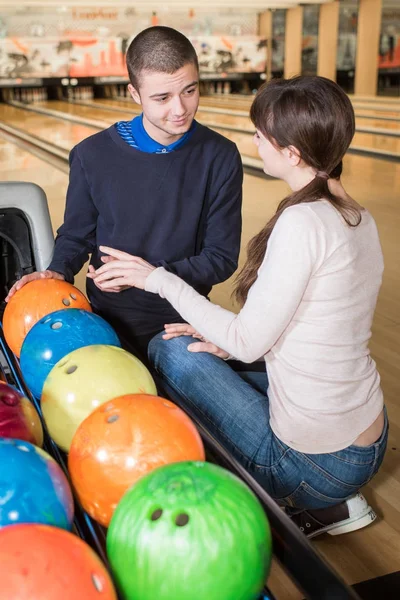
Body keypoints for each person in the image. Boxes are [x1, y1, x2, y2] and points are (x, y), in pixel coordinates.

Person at [89, 75, 388, 539]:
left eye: (261, 134)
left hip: (315, 462)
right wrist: (225, 346)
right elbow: (308, 327)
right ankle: (335, 502)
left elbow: (249, 337)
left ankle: (300, 502)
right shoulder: (355, 214)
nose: (254, 142)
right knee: (207, 346)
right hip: (368, 437)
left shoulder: (303, 222)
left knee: (170, 352)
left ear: (291, 153)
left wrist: (157, 278)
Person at [5, 26, 243, 357]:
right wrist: (56, 271)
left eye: (190, 91)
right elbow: (76, 235)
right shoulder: (92, 154)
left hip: (181, 321)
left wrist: (149, 276)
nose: (180, 109)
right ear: (134, 93)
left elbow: (221, 258)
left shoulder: (220, 155)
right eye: (162, 98)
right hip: (104, 321)